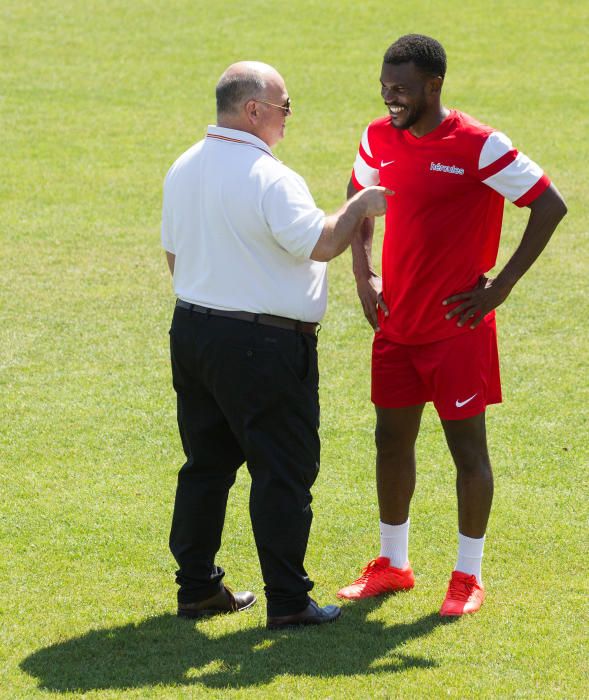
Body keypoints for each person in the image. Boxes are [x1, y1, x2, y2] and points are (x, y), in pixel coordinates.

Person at [337, 35, 567, 616]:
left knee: (467, 451)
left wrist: (499, 288)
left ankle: (467, 576)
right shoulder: (377, 136)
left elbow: (549, 205)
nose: (391, 98)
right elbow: (357, 195)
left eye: (402, 89)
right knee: (390, 442)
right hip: (395, 326)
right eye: (385, 86)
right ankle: (394, 564)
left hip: (456, 329)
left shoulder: (480, 145)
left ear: (433, 85)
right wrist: (364, 274)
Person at [161, 61, 391, 630]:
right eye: (284, 107)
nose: (288, 118)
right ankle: (288, 600)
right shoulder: (270, 176)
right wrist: (360, 206)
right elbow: (321, 243)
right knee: (283, 470)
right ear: (253, 111)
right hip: (262, 346)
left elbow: (174, 257)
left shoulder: (183, 166)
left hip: (194, 330)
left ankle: (196, 589)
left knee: (206, 465)